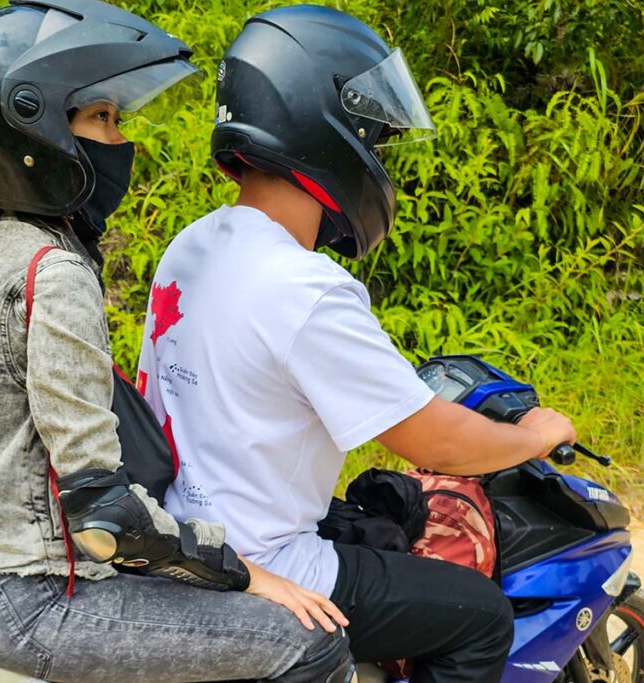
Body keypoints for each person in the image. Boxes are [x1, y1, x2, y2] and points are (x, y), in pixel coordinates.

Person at [138, 6, 578, 683]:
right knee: (480, 614)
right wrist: (533, 436)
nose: (375, 155)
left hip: (189, 538)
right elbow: (438, 444)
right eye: (372, 136)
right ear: (324, 129)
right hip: (271, 560)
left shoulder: (192, 244)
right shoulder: (303, 286)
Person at [0, 2, 355, 681]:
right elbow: (106, 516)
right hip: (25, 596)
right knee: (308, 640)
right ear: (37, 133)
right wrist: (244, 574)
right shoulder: (52, 274)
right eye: (101, 119)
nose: (119, 141)